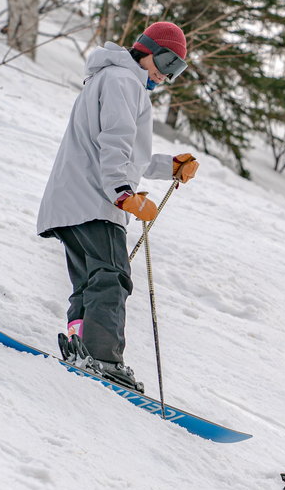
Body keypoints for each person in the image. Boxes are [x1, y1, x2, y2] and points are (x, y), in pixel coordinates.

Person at [35, 21, 200, 392]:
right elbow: (115, 143)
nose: (167, 75)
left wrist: (168, 166)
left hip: (75, 198)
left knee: (91, 281)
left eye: (177, 70)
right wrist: (123, 194)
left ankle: (80, 345)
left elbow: (125, 154)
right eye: (167, 63)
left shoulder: (114, 80)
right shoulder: (124, 82)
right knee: (111, 277)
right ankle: (103, 357)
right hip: (95, 200)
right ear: (149, 51)